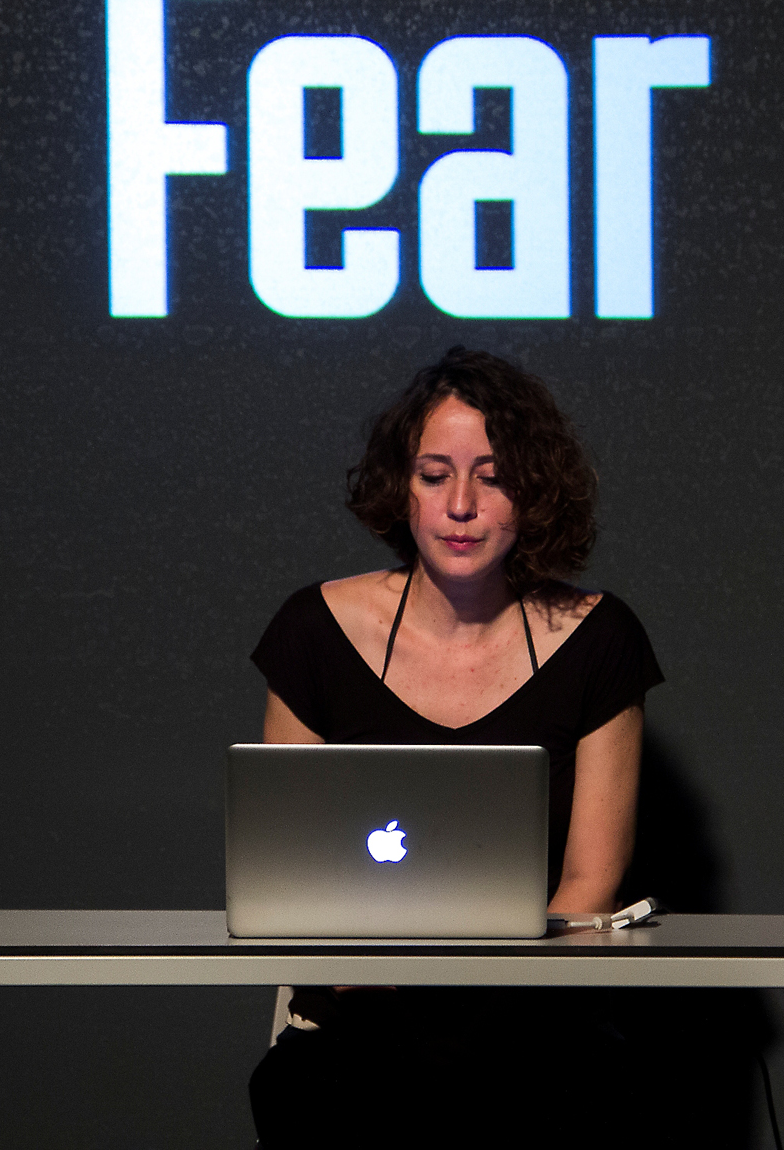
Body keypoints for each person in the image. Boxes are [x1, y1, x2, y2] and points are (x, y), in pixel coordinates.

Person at [246, 347, 664, 1149]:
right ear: (399, 486)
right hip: (361, 1019)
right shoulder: (313, 631)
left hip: (533, 1024)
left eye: (492, 477)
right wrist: (366, 983)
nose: (462, 505)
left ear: (533, 491)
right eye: (435, 475)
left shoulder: (602, 638)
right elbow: (287, 877)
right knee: (309, 1094)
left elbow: (589, 887)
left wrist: (481, 1002)